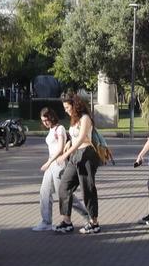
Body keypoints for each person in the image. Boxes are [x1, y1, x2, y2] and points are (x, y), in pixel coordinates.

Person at [55, 92, 102, 234]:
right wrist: (68, 143)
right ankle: (67, 221)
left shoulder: (85, 118)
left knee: (87, 189)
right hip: (75, 156)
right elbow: (75, 136)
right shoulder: (74, 120)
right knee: (64, 186)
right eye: (64, 107)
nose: (66, 110)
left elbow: (82, 138)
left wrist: (66, 155)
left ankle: (94, 223)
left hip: (86, 155)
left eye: (67, 107)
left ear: (75, 106)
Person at [34, 107, 88, 231]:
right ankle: (46, 221)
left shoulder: (60, 129)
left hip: (59, 165)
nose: (45, 123)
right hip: (51, 165)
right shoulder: (51, 130)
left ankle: (87, 214)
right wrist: (48, 164)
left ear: (51, 117)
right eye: (43, 121)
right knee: (44, 192)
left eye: (46, 120)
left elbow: (60, 149)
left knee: (64, 194)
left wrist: (48, 162)